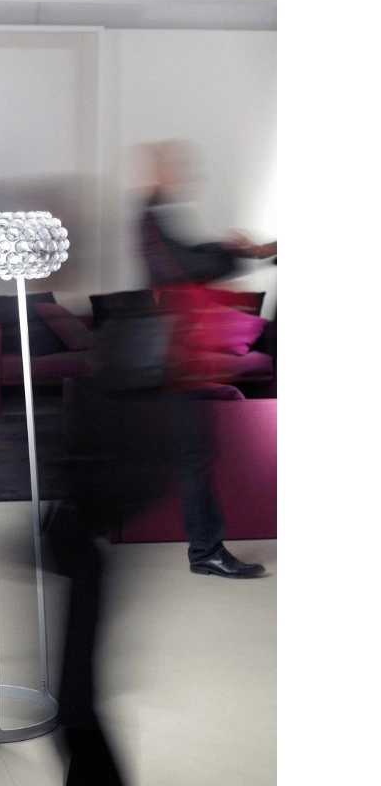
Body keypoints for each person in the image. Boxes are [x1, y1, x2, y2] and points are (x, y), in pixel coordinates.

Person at [136, 139, 276, 579]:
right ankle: (206, 551)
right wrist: (241, 252)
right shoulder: (149, 219)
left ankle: (205, 549)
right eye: (170, 166)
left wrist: (247, 252)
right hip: (174, 365)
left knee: (192, 454)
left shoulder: (157, 220)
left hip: (183, 363)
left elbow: (192, 256)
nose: (180, 173)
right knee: (192, 456)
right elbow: (186, 264)